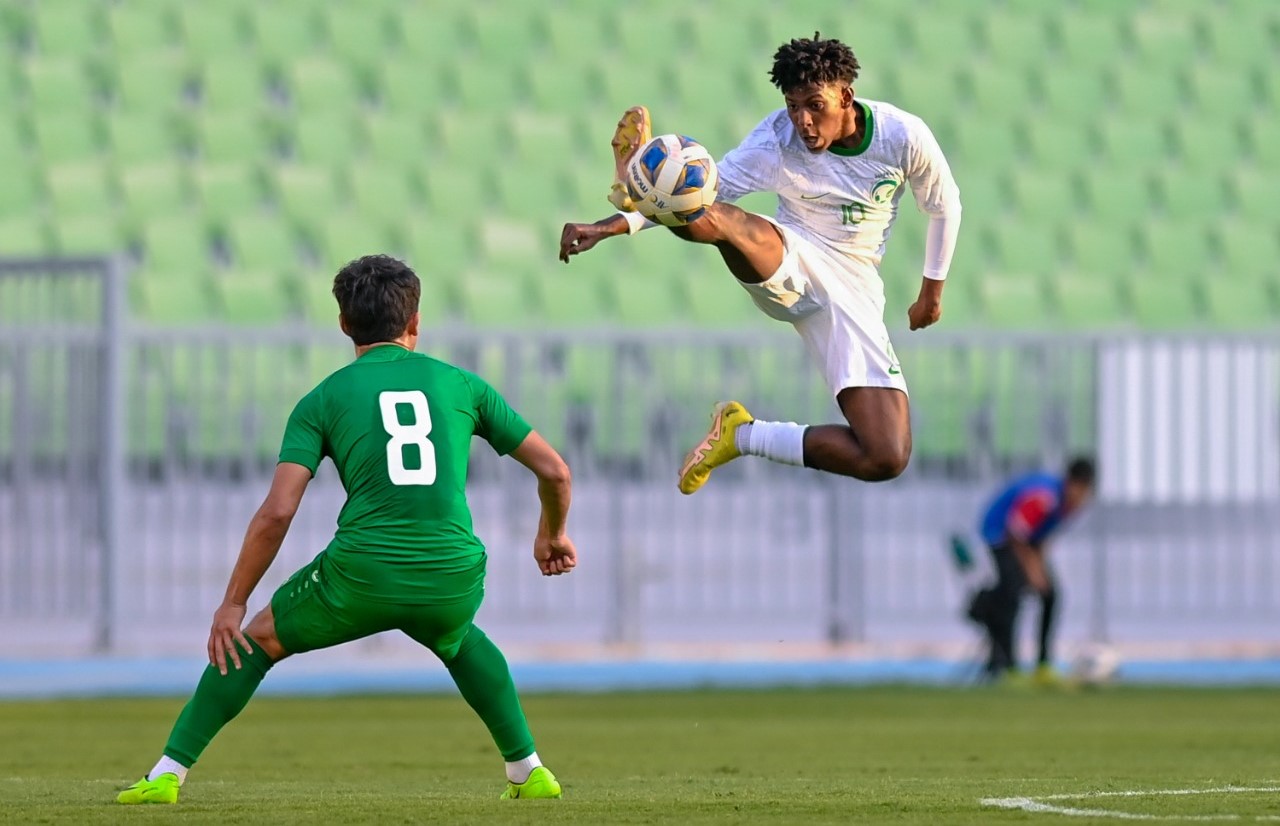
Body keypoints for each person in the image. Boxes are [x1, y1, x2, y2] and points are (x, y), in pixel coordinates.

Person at [117, 255, 576, 804]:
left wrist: (232, 603)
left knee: (257, 639)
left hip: (361, 573)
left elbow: (278, 511)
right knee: (459, 639)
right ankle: (530, 771)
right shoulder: (463, 385)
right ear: (415, 322)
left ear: (343, 324)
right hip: (450, 571)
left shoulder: (323, 399)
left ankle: (167, 775)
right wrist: (552, 533)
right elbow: (556, 470)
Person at [559, 33, 961, 494]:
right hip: (790, 250)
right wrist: (609, 227)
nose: (803, 122)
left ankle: (741, 434)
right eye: (793, 106)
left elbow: (945, 205)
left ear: (846, 96)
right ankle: (644, 182)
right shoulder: (776, 139)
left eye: (815, 105)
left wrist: (932, 293)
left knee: (885, 455)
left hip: (854, 286)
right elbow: (715, 192)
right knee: (720, 217)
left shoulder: (902, 135)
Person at [963, 457, 1097, 684]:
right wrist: (1033, 570)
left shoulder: (1069, 505)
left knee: (1051, 594)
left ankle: (1043, 665)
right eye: (1083, 490)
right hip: (999, 535)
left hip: (1025, 540)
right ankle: (1009, 667)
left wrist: (1040, 567)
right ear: (1073, 484)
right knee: (1011, 595)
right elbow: (1015, 532)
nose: (1084, 498)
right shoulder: (1044, 496)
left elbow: (1042, 535)